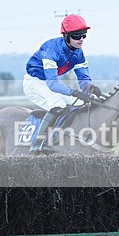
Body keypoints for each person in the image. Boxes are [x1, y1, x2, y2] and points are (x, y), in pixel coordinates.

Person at [23, 14, 102, 153]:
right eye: (77, 36)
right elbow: (52, 84)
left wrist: (90, 88)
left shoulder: (79, 53)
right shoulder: (51, 49)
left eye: (84, 35)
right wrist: (75, 92)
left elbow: (83, 79)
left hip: (49, 82)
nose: (81, 39)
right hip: (34, 82)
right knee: (57, 105)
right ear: (66, 36)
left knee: (79, 105)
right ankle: (38, 144)